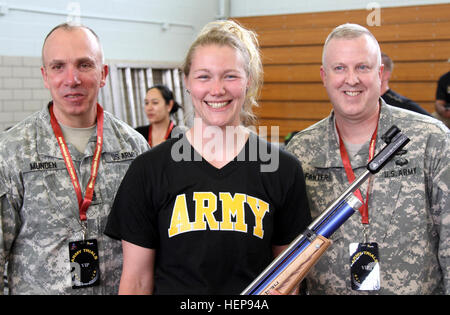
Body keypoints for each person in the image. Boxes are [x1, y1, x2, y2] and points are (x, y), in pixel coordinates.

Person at [104, 20, 311, 295]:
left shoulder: (283, 170)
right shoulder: (149, 170)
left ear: (248, 81)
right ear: (187, 82)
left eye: (230, 76)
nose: (217, 89)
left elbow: (288, 282)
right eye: (204, 76)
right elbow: (137, 282)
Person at [286, 23, 449, 295]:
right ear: (324, 76)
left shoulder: (429, 139)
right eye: (340, 68)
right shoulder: (301, 151)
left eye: (362, 67)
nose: (352, 79)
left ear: (380, 73)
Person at [0, 23, 149, 294]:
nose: (72, 79)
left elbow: (149, 247)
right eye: (58, 67)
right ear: (45, 76)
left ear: (103, 74)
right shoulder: (11, 152)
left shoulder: (134, 148)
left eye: (84, 65)